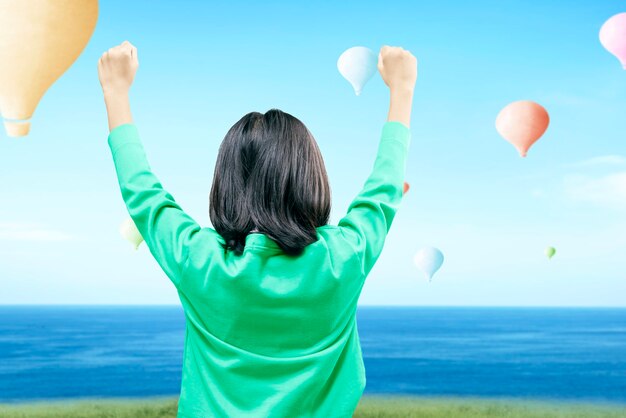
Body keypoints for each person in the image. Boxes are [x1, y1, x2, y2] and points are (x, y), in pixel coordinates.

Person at [98, 41, 416, 418]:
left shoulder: (196, 258)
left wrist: (115, 91)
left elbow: (142, 192)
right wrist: (402, 88)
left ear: (225, 182)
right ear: (310, 179)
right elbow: (383, 185)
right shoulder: (343, 258)